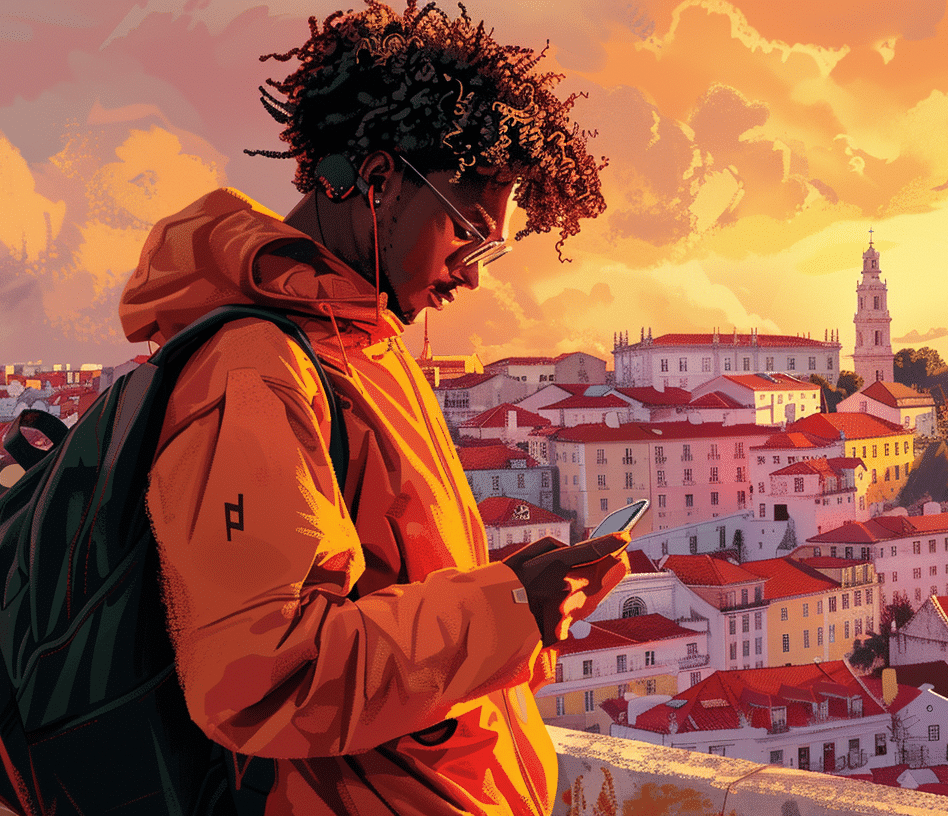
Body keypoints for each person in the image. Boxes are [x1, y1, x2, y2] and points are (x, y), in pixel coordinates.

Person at [117, 3, 624, 814]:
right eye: (468, 232)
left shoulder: (358, 347)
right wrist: (509, 606)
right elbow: (263, 674)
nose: (473, 275)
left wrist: (517, 598)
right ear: (380, 180)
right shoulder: (254, 372)